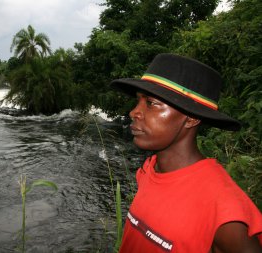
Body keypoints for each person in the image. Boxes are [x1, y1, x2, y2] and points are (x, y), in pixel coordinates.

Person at [110, 53, 262, 252]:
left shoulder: (224, 208)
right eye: (138, 101)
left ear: (190, 118)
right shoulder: (149, 171)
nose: (134, 112)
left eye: (151, 103)